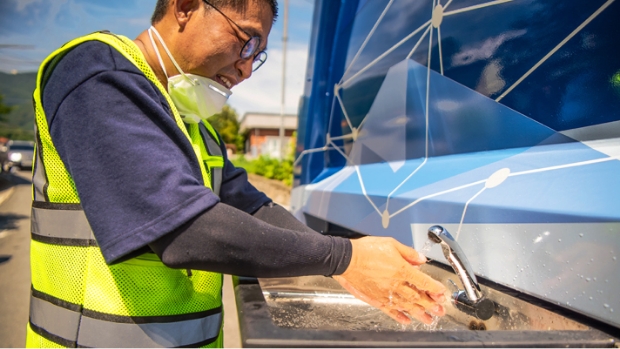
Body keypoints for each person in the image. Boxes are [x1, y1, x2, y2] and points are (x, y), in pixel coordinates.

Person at [26, 0, 447, 347]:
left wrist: (348, 265)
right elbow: (185, 231)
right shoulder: (97, 74)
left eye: (257, 56)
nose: (245, 70)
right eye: (245, 41)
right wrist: (343, 258)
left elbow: (252, 208)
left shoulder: (194, 125)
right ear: (186, 7)